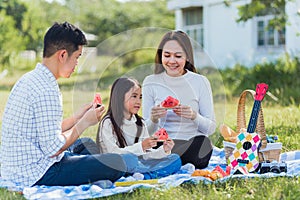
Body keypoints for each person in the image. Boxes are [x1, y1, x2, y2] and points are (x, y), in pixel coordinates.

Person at [0, 22, 136, 187]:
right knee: (117, 162)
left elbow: (46, 132)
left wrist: (77, 116)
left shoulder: (30, 79)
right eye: (77, 57)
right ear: (63, 55)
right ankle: (109, 171)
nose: (77, 64)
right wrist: (85, 122)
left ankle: (93, 169)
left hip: (19, 167)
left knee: (85, 144)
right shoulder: (46, 90)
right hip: (39, 173)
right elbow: (53, 149)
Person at [142, 30, 216, 169]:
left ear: (187, 57)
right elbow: (145, 132)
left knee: (204, 144)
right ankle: (171, 160)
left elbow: (210, 128)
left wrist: (194, 116)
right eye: (167, 55)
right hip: (163, 143)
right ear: (160, 56)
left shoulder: (200, 81)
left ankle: (164, 161)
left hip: (191, 143)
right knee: (147, 144)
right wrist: (153, 119)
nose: (172, 61)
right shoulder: (150, 82)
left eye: (178, 56)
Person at [96, 77, 181, 179]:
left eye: (140, 97)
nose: (138, 101)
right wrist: (141, 146)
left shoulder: (141, 123)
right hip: (116, 166)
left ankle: (145, 176)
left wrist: (163, 150)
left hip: (139, 165)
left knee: (175, 159)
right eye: (134, 96)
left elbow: (146, 155)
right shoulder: (108, 123)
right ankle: (148, 174)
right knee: (130, 159)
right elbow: (113, 154)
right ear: (120, 97)